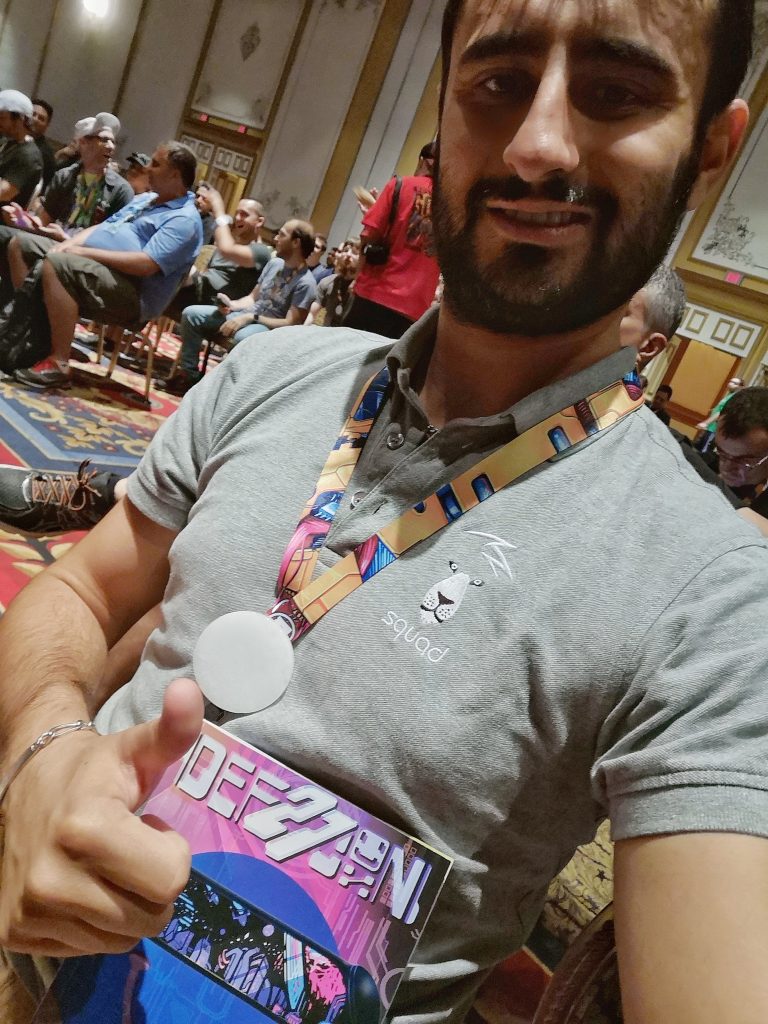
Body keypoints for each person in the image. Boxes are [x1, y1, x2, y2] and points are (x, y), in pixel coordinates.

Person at [1, 9, 768, 1024]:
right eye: (497, 81)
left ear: (710, 150)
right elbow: (79, 592)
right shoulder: (274, 370)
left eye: (616, 92)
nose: (538, 144)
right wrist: (40, 752)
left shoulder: (712, 592)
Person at [8, 141, 201, 390]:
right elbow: (104, 227)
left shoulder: (184, 219)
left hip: (133, 294)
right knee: (21, 245)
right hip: (99, 267)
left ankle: (59, 362)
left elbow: (146, 264)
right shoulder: (147, 199)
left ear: (175, 174)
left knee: (58, 264)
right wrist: (68, 244)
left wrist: (81, 252)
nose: (148, 169)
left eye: (155, 164)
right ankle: (32, 335)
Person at [162, 218, 315, 395]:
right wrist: (232, 305)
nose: (275, 239)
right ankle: (189, 376)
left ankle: (222, 391)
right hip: (247, 315)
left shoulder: (306, 283)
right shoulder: (274, 264)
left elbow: (290, 324)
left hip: (267, 329)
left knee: (243, 338)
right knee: (192, 314)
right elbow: (252, 298)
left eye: (282, 235)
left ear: (296, 242)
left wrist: (251, 317)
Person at [0, 112, 132, 289]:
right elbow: (42, 222)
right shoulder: (65, 176)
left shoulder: (121, 191)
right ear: (83, 142)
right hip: (53, 242)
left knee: (27, 248)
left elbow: (113, 246)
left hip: (86, 255)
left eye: (113, 142)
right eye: (104, 140)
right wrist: (22, 221)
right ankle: (16, 298)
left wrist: (66, 239)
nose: (111, 147)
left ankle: (23, 300)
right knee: (6, 237)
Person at [341, 140, 439, 338]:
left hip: (374, 293)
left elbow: (368, 237)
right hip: (415, 307)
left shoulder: (400, 186)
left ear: (424, 161)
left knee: (349, 352)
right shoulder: (454, 206)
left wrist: (357, 278)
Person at [165, 185, 271, 318]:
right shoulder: (228, 242)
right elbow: (206, 271)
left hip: (218, 304)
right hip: (197, 290)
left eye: (244, 214)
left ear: (259, 221)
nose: (238, 218)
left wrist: (218, 209)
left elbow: (227, 250)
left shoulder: (261, 251)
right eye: (237, 213)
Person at [0, 90, 43, 209]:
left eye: (2, 118)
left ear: (20, 119)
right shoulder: (7, 142)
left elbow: (4, 193)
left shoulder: (29, 156)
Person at [694, 375, 745, 453]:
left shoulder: (734, 397)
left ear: (740, 387)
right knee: (698, 448)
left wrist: (705, 423)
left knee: (703, 452)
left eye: (734, 383)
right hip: (711, 427)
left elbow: (721, 412)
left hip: (714, 429)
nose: (730, 384)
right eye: (730, 381)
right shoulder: (729, 395)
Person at [29, 98, 56, 191]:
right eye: (33, 114)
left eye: (41, 118)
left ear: (47, 125)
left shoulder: (45, 154)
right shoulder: (10, 137)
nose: (35, 119)